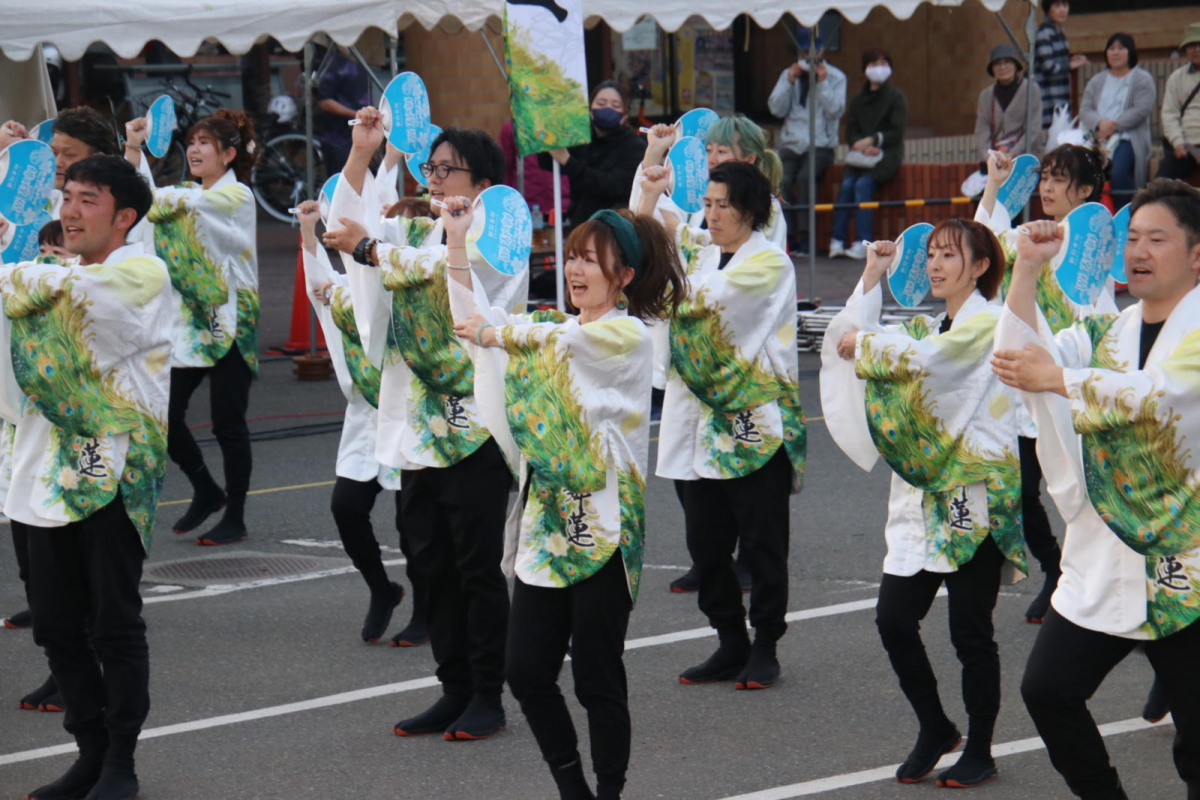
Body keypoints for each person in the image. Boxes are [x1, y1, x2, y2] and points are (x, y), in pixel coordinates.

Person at [450, 201, 684, 800]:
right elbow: (474, 321)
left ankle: (610, 792)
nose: (576, 270)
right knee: (525, 671)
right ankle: (572, 789)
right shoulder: (557, 325)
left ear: (624, 276)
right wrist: (455, 243)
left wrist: (493, 332)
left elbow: (552, 341)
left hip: (604, 526)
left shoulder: (623, 334)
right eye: (573, 258)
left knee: (597, 680)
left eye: (592, 260)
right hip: (548, 524)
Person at [993, 178, 1200, 800]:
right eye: (1132, 237)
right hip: (1106, 552)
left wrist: (1058, 376)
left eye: (1157, 238)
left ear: (1196, 254)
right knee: (1048, 689)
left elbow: (1161, 394)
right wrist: (1027, 270)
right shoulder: (1112, 330)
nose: (1139, 249)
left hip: (1186, 563)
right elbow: (1020, 360)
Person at [323, 108, 525, 740]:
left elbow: (449, 282)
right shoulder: (418, 232)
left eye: (447, 170)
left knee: (476, 568)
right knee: (428, 562)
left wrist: (373, 249)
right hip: (418, 426)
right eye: (429, 168)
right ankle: (453, 686)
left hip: (475, 425)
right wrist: (362, 153)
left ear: (482, 180)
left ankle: (488, 694)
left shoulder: (498, 230)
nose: (433, 180)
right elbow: (347, 232)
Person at [822, 218, 1026, 789]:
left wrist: (864, 344)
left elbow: (930, 361)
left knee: (970, 631)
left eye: (949, 255)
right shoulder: (937, 322)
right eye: (932, 254)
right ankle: (936, 726)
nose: (935, 264)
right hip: (923, 497)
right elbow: (882, 341)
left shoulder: (985, 322)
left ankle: (980, 747)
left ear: (980, 267)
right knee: (893, 619)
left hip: (973, 496)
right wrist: (872, 274)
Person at [0, 154, 174, 800]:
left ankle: (121, 761)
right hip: (44, 471)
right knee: (55, 625)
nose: (69, 211)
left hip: (114, 473)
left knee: (114, 623)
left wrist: (7, 267)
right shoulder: (47, 276)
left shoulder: (140, 271)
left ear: (124, 216)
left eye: (88, 199)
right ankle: (90, 750)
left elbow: (74, 295)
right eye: (66, 197)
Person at [640, 160, 806, 689]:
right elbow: (647, 231)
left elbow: (703, 305)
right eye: (706, 203)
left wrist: (652, 279)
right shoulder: (700, 249)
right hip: (694, 424)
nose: (709, 214)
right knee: (705, 545)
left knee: (761, 544)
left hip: (750, 426)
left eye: (722, 205)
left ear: (751, 212)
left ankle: (766, 645)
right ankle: (729, 640)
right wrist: (649, 172)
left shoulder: (769, 265)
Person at [977, 145, 1119, 624]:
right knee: (1017, 493)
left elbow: (1101, 323)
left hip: (1071, 391)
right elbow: (984, 246)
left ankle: (1112, 581)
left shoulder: (1088, 254)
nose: (1047, 188)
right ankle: (1055, 569)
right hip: (1025, 394)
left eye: (1060, 180)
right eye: (1045, 178)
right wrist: (995, 184)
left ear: (1083, 191)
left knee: (1086, 491)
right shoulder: (1028, 237)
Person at [124, 109, 260, 546]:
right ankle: (206, 488)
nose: (195, 150)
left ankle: (235, 514)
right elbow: (147, 205)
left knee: (228, 424)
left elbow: (159, 201)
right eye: (193, 142)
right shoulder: (183, 192)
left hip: (233, 321)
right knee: (162, 414)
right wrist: (132, 148)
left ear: (229, 154)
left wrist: (137, 171)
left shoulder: (235, 196)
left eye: (205, 143)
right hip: (191, 324)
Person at [293, 200, 425, 646]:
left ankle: (426, 607)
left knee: (413, 523)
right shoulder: (350, 288)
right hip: (367, 416)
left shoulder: (413, 286)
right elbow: (320, 286)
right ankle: (381, 589)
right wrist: (309, 232)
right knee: (346, 507)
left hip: (412, 419)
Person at [830, 47, 908, 260]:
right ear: (865, 69)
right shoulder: (857, 100)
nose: (879, 68)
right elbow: (850, 131)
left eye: (884, 63)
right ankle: (837, 240)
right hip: (859, 157)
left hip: (886, 157)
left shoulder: (896, 97)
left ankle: (862, 242)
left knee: (862, 185)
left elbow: (897, 131)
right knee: (846, 186)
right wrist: (860, 144)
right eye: (874, 64)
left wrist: (874, 141)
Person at [540, 80, 646, 230]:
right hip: (581, 227)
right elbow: (547, 162)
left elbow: (613, 185)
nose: (608, 109)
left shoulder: (634, 146)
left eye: (615, 106)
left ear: (625, 115)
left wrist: (568, 161)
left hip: (616, 230)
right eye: (601, 104)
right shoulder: (581, 139)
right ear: (590, 110)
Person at [768, 52, 846, 253]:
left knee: (805, 178)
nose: (808, 56)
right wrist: (789, 80)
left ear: (821, 52)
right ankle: (788, 235)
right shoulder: (789, 74)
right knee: (780, 178)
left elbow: (836, 110)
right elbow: (776, 108)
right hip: (791, 142)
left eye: (813, 51)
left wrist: (823, 83)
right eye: (803, 52)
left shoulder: (836, 77)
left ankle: (806, 237)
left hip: (821, 144)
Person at [0, 106, 119, 219]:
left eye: (69, 155)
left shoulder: (111, 207)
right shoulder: (37, 197)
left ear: (97, 160)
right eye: (54, 153)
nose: (57, 163)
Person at [1080, 34, 1156, 210]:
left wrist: (1112, 127)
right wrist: (1099, 124)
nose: (1115, 53)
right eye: (1111, 48)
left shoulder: (1143, 79)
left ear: (1131, 52)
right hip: (1098, 136)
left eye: (1121, 48)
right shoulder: (1097, 80)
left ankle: (1129, 215)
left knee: (1118, 172)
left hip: (1128, 137)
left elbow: (1142, 109)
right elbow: (1085, 109)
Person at [974, 44, 1043, 165]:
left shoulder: (1031, 89)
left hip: (1025, 156)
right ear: (992, 69)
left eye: (1007, 62)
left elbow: (1034, 129)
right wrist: (988, 156)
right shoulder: (986, 95)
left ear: (1016, 66)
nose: (1002, 67)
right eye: (997, 64)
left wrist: (1013, 154)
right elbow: (982, 130)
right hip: (995, 157)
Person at [1034, 0, 1089, 129]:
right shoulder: (1044, 33)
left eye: (1064, 5)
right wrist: (1071, 65)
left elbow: (1056, 59)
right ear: (1048, 9)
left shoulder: (1058, 31)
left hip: (1060, 94)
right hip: (1047, 97)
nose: (1062, 10)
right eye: (1057, 6)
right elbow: (1049, 66)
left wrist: (1071, 59)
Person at [316, 49, 373, 175]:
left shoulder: (362, 61)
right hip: (338, 139)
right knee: (342, 182)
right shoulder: (332, 63)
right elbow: (324, 101)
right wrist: (356, 115)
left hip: (364, 135)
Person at [500, 118, 570, 216]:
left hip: (563, 206)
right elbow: (504, 171)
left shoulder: (566, 125)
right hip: (525, 208)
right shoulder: (513, 128)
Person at [1158, 22, 1200, 181]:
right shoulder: (1176, 78)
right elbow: (1169, 114)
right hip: (1186, 145)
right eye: (1191, 45)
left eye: (1199, 44)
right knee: (1160, 184)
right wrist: (1178, 142)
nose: (1196, 49)